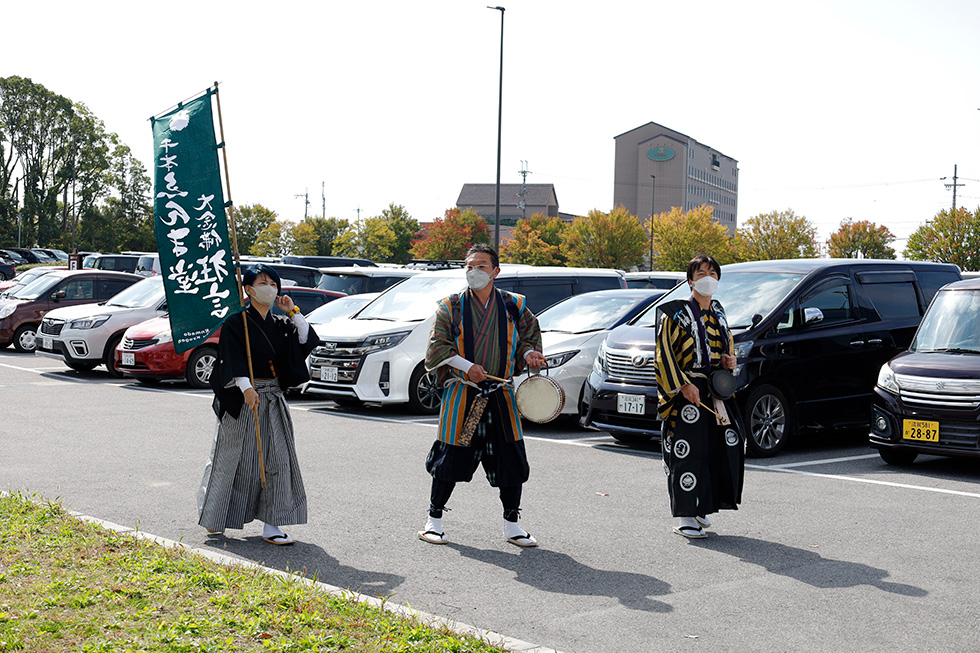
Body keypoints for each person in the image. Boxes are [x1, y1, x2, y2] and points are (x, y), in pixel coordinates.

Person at [419, 244, 547, 547]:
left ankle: (512, 525)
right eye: (469, 266)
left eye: (481, 266)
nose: (473, 271)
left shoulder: (515, 305)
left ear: (495, 271)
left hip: (501, 394)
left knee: (511, 459)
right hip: (464, 393)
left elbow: (527, 339)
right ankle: (433, 520)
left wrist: (529, 354)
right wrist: (467, 367)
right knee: (450, 456)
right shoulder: (450, 306)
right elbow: (438, 347)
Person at [198, 264, 320, 545]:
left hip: (272, 396)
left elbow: (305, 339)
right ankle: (215, 518)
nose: (270, 288)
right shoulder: (236, 322)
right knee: (231, 458)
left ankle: (272, 525)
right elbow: (231, 357)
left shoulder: (281, 324)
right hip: (243, 398)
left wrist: (293, 311)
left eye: (274, 284)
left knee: (278, 460)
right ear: (249, 290)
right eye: (263, 283)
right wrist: (246, 387)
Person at [654, 254, 744, 539]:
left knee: (716, 449)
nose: (708, 278)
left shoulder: (719, 312)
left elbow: (726, 348)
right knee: (687, 452)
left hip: (715, 391)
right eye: (701, 273)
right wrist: (683, 385)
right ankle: (685, 516)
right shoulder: (674, 313)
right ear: (690, 280)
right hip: (687, 391)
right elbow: (663, 354)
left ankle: (703, 505)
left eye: (713, 273)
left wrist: (730, 361)